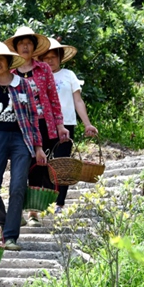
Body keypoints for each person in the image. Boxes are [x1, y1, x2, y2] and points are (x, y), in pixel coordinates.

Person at [0, 41, 47, 251]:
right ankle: (5, 221)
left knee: (17, 186)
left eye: (1, 59)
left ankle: (10, 236)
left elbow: (33, 117)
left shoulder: (24, 85)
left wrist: (38, 146)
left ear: (8, 61)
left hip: (21, 138)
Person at [5, 27, 70, 226]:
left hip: (44, 124)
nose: (25, 47)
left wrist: (60, 125)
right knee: (20, 167)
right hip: (19, 127)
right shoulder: (10, 73)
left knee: (39, 167)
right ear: (16, 48)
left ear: (34, 47)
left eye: (29, 43)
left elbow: (53, 98)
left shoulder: (44, 69)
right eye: (21, 44)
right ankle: (17, 211)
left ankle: (33, 212)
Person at [39, 38, 99, 213]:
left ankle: (59, 203)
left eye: (53, 57)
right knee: (44, 163)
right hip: (44, 124)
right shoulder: (39, 75)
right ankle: (44, 201)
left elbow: (78, 101)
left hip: (66, 125)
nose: (50, 60)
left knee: (63, 164)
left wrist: (87, 124)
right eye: (46, 57)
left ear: (60, 58)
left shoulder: (69, 75)